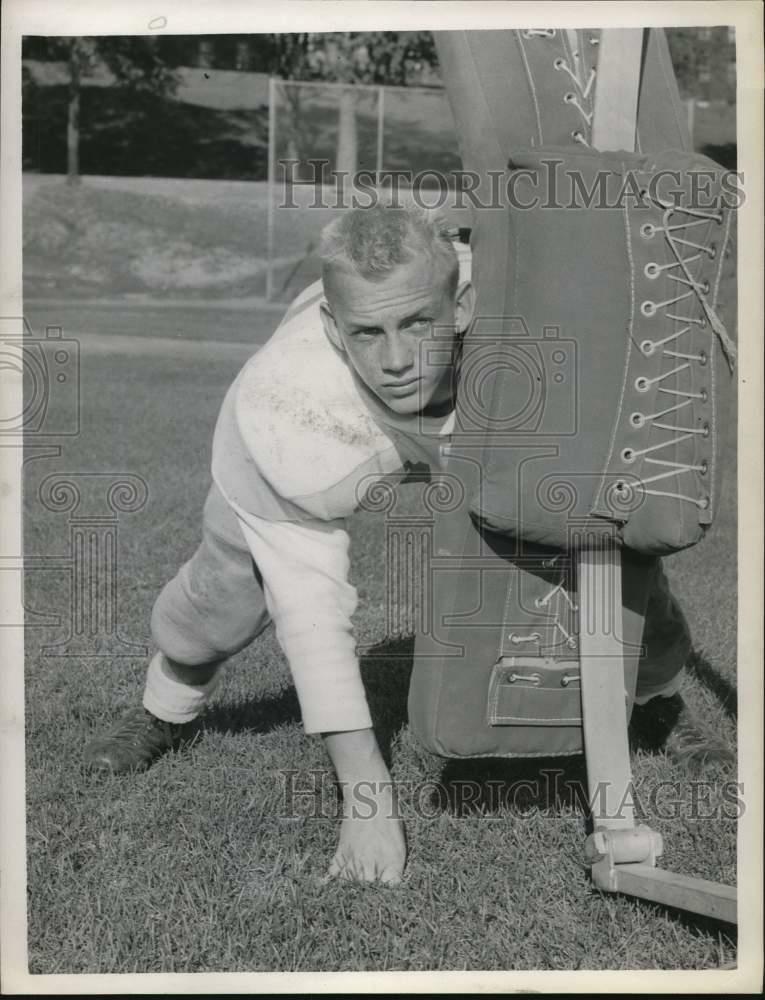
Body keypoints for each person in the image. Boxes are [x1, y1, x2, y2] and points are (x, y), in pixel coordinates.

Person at [84, 202, 695, 885]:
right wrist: (368, 803)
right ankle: (163, 709)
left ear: (461, 304)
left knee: (605, 537)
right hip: (335, 429)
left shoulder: (525, 327)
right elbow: (311, 617)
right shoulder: (287, 403)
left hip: (478, 400)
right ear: (331, 327)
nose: (398, 360)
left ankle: (660, 695)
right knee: (225, 592)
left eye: (417, 324)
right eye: (368, 332)